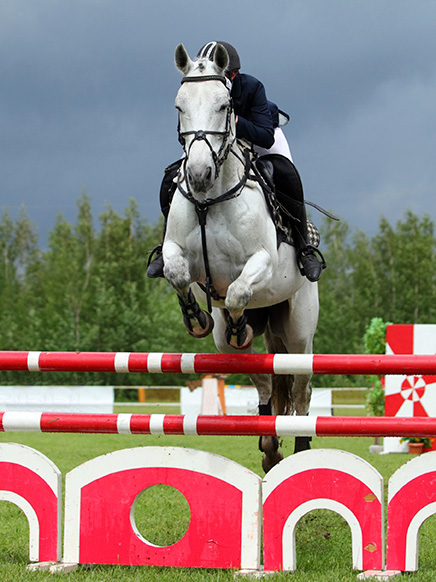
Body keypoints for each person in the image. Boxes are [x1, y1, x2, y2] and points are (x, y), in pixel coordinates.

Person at [147, 41, 325, 282]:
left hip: (259, 135)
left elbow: (265, 134)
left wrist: (236, 122)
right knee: (172, 178)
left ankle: (304, 248)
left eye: (226, 75)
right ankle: (165, 245)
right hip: (215, 142)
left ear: (234, 74)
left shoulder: (252, 87)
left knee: (286, 174)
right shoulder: (200, 88)